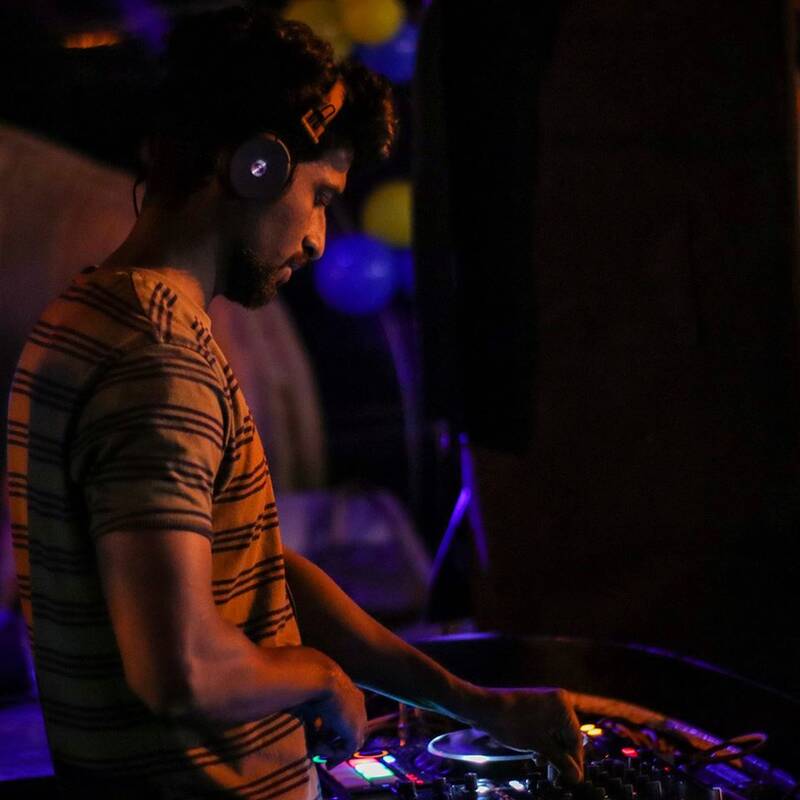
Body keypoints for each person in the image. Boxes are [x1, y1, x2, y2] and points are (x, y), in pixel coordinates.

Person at [6, 6, 584, 798]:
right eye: (318, 195)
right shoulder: (156, 361)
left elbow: (256, 573)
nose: (316, 238)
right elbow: (178, 668)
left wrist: (470, 702)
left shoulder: (93, 320)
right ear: (255, 168)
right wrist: (314, 675)